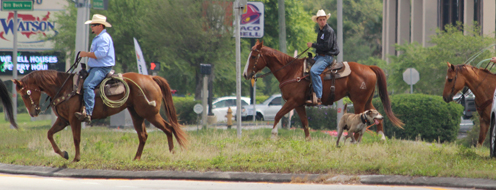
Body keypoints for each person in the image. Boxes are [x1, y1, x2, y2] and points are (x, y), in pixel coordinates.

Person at [75, 14, 115, 123]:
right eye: (91, 25)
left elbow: (100, 54)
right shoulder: (98, 38)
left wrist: (86, 54)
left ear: (101, 26)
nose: (91, 27)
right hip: (96, 68)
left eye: (94, 25)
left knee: (88, 85)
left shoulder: (103, 38)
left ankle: (88, 112)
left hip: (102, 68)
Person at [305, 9, 339, 105]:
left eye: (324, 19)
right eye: (320, 19)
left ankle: (319, 97)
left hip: (327, 57)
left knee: (314, 71)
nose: (322, 21)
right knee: (304, 65)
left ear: (326, 20)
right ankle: (309, 92)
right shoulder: (321, 31)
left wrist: (313, 45)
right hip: (320, 56)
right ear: (317, 21)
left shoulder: (328, 31)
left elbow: (326, 46)